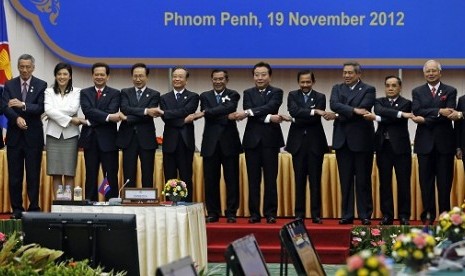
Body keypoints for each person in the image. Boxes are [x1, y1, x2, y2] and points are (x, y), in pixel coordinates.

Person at [232, 61, 285, 224]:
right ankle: (254, 213)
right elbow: (261, 110)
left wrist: (249, 112)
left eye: (263, 75)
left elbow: (271, 105)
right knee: (253, 179)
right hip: (252, 142)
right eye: (257, 75)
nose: (260, 78)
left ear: (269, 76)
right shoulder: (247, 93)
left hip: (271, 141)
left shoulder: (277, 92)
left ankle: (270, 213)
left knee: (270, 179)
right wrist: (269, 117)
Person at [1, 54, 47, 219]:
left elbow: (40, 108)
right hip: (14, 137)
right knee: (15, 176)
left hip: (33, 137)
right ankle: (17, 209)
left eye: (28, 67)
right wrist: (16, 118)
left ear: (33, 67)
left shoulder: (41, 85)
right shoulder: (9, 84)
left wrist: (23, 105)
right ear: (18, 67)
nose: (25, 70)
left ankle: (34, 208)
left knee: (33, 175)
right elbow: (4, 106)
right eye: (22, 67)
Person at [329, 61, 375, 225]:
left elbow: (365, 108)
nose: (346, 76)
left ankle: (365, 214)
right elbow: (333, 104)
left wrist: (338, 114)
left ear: (358, 74)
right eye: (345, 73)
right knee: (345, 180)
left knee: (363, 180)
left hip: (362, 141)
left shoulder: (369, 89)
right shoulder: (337, 88)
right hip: (342, 141)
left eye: (350, 73)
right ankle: (347, 214)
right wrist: (354, 110)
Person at [411, 60, 456, 224]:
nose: (430, 73)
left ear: (440, 72)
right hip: (424, 144)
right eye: (428, 71)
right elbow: (417, 110)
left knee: (445, 184)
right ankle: (428, 217)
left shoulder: (450, 90)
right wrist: (438, 111)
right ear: (424, 73)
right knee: (426, 183)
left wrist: (425, 118)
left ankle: (445, 218)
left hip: (445, 144)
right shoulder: (417, 91)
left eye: (433, 71)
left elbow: (449, 112)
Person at [363, 76, 413, 225]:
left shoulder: (407, 103)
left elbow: (394, 120)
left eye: (393, 86)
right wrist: (396, 114)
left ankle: (404, 215)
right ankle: (387, 215)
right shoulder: (379, 102)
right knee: (384, 183)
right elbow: (381, 110)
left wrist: (377, 118)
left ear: (400, 87)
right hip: (382, 147)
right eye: (388, 86)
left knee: (403, 182)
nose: (390, 88)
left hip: (401, 148)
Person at [196, 69, 242, 223]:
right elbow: (213, 115)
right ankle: (213, 212)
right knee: (210, 180)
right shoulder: (205, 96)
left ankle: (231, 212)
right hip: (210, 144)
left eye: (221, 79)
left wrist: (208, 112)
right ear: (212, 80)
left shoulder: (234, 94)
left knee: (232, 179)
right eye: (215, 79)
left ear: (226, 80)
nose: (218, 81)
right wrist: (225, 117)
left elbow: (229, 108)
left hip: (230, 143)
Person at [285, 70, 330, 224]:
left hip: (315, 144)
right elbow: (293, 111)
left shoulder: (320, 97)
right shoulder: (292, 95)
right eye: (302, 82)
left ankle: (316, 214)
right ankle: (299, 213)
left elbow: (313, 120)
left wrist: (297, 119)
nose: (305, 85)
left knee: (315, 181)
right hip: (297, 144)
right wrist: (312, 111)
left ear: (313, 82)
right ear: (299, 82)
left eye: (308, 82)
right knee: (299, 180)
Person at [78, 62, 122, 201]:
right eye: (96, 74)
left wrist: (91, 121)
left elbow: (111, 110)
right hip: (90, 140)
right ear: (92, 76)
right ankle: (90, 202)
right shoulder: (85, 92)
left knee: (109, 174)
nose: (99, 77)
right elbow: (87, 110)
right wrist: (108, 117)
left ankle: (110, 201)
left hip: (108, 141)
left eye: (102, 74)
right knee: (91, 173)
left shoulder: (115, 93)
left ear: (107, 77)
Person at [156, 67, 199, 202]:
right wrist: (184, 120)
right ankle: (170, 204)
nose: (177, 79)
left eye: (180, 77)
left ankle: (187, 205)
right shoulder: (163, 98)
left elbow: (188, 110)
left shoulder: (193, 96)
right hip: (169, 142)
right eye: (174, 76)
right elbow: (166, 119)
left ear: (186, 80)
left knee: (186, 176)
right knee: (169, 177)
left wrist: (168, 113)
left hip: (185, 142)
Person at [116, 63, 160, 188]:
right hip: (128, 138)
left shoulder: (154, 94)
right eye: (135, 76)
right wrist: (146, 111)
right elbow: (124, 108)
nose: (138, 79)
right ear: (132, 77)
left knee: (147, 173)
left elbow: (148, 117)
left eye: (141, 76)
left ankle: (148, 202)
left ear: (147, 77)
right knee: (128, 173)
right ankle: (129, 201)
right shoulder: (125, 92)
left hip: (146, 138)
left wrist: (128, 118)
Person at [44, 62, 84, 197]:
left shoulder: (77, 91)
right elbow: (47, 109)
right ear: (55, 76)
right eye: (59, 74)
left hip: (70, 136)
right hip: (53, 136)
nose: (62, 77)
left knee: (69, 172)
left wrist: (53, 114)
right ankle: (57, 203)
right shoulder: (48, 91)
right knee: (55, 172)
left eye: (65, 74)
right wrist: (71, 119)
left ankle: (67, 203)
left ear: (70, 76)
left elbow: (73, 109)